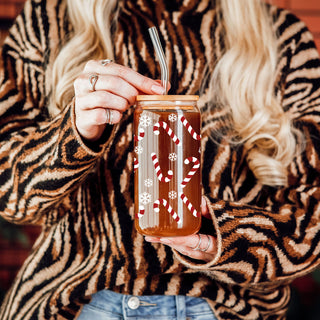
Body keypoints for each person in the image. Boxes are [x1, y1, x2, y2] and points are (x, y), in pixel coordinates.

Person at [0, 0, 319, 319]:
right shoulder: (49, 19)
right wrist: (74, 133)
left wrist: (225, 238)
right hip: (74, 301)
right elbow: (9, 194)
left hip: (226, 305)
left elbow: (313, 217)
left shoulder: (282, 37)